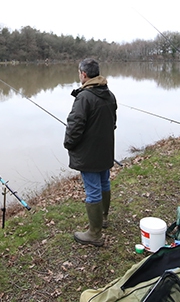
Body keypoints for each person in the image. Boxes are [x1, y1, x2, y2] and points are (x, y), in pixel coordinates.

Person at [64, 58, 117, 247]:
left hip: (90, 153)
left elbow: (75, 126)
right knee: (104, 183)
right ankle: (102, 219)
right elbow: (113, 123)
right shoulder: (108, 94)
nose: (79, 75)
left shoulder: (84, 97)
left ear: (84, 74)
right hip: (105, 150)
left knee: (93, 190)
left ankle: (94, 234)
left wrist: (69, 144)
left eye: (79, 73)